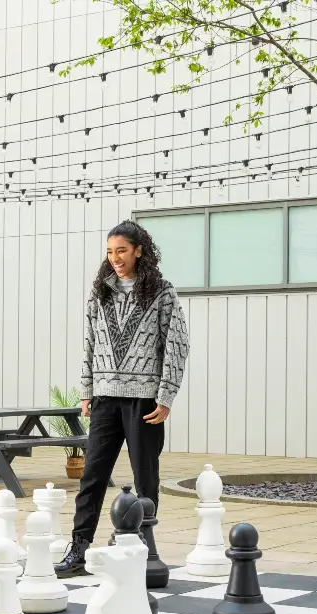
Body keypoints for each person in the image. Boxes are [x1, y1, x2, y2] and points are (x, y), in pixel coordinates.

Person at [55, 221, 190, 578]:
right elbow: (89, 342)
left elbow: (176, 345)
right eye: (110, 252)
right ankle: (79, 548)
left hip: (144, 401)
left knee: (146, 479)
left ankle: (141, 547)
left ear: (139, 250)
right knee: (92, 478)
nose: (115, 259)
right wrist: (87, 391)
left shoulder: (162, 292)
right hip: (104, 400)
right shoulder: (100, 291)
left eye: (122, 251)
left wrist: (165, 397)